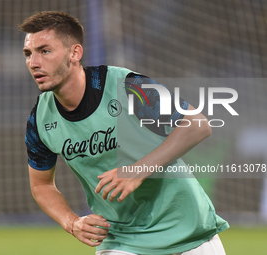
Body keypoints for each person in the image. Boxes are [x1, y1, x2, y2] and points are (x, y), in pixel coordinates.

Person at [19, 11, 229, 255]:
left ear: (74, 53)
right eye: (28, 53)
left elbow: (198, 125)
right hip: (121, 240)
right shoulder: (40, 119)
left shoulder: (126, 85)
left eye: (45, 51)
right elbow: (42, 185)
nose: (33, 62)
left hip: (188, 231)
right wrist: (71, 222)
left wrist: (136, 170)